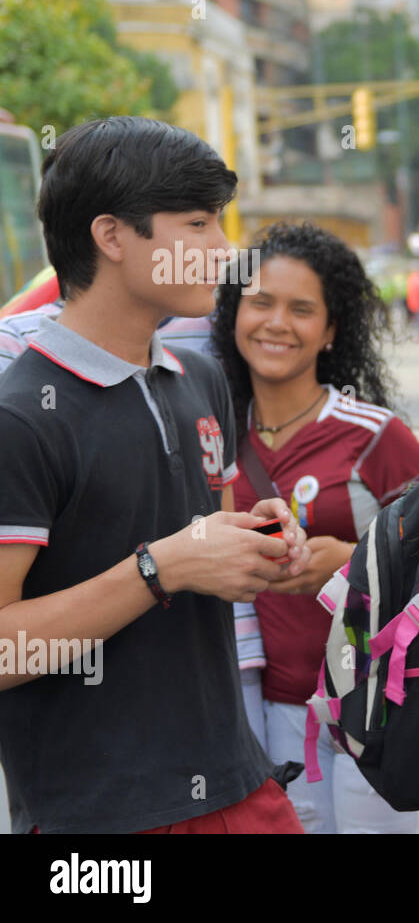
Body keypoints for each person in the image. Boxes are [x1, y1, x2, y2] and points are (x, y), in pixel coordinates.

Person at [0, 116, 310, 834]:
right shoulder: (21, 417)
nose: (224, 251)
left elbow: (212, 537)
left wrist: (264, 543)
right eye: (198, 224)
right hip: (102, 814)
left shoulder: (200, 378)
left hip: (237, 780)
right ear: (111, 237)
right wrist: (158, 568)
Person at [211, 221, 419, 833]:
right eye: (260, 303)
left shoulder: (373, 435)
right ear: (233, 314)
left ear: (331, 331)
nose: (277, 322)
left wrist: (352, 561)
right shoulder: (212, 435)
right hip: (271, 708)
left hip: (374, 703)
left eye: (301, 309)